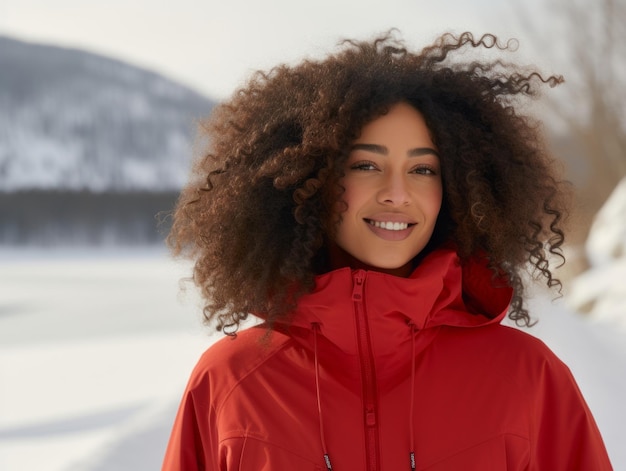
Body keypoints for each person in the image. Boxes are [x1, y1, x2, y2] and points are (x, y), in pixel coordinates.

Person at [161, 32, 613, 470]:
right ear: (308, 180)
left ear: (457, 188)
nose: (397, 193)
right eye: (366, 165)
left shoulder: (527, 376)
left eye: (422, 168)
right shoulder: (230, 381)